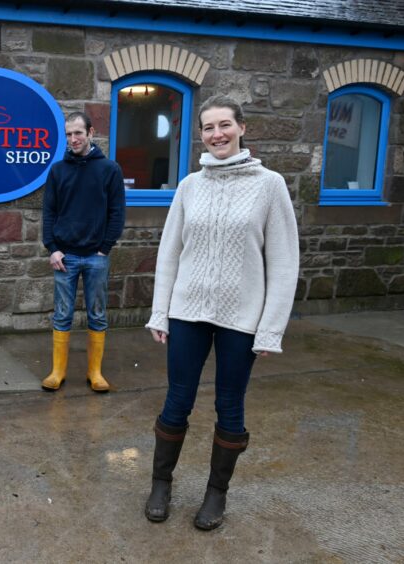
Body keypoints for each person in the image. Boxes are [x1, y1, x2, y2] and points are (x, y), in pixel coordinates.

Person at [144, 95, 299, 530]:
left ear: (242, 128)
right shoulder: (190, 186)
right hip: (187, 312)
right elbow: (169, 253)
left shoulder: (270, 185)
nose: (217, 134)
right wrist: (161, 312)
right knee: (178, 400)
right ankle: (161, 483)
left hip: (241, 319)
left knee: (230, 406)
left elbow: (285, 263)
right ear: (201, 136)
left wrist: (270, 329)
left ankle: (216, 494)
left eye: (225, 125)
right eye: (209, 128)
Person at [41, 111, 126, 393]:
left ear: (91, 133)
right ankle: (57, 372)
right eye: (68, 134)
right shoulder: (57, 171)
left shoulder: (109, 170)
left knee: (98, 314)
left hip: (95, 257)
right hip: (64, 256)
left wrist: (105, 248)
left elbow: (117, 213)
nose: (72, 139)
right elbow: (49, 212)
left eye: (78, 133)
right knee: (62, 315)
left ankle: (95, 373)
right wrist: (52, 249)